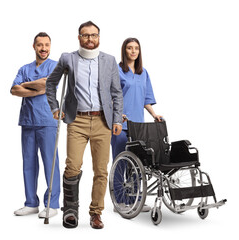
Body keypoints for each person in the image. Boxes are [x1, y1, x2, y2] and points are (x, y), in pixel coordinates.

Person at [46, 21, 123, 229]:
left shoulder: (109, 60)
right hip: (77, 120)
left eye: (94, 35)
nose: (90, 39)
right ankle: (70, 210)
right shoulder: (67, 58)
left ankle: (96, 213)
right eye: (86, 35)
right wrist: (55, 108)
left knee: (101, 170)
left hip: (102, 121)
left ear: (99, 37)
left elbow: (116, 92)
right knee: (72, 166)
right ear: (79, 37)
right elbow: (51, 83)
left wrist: (117, 119)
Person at [11, 32, 60, 218]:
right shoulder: (24, 68)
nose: (44, 48)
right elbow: (14, 89)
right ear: (34, 47)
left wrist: (27, 86)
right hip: (27, 121)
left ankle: (52, 204)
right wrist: (36, 88)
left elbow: (48, 84)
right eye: (40, 45)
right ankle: (31, 203)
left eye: (47, 45)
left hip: (47, 120)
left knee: (50, 162)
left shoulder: (54, 66)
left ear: (50, 46)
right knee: (29, 163)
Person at [111, 38, 163, 211]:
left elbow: (145, 99)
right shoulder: (116, 71)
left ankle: (136, 199)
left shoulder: (143, 73)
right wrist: (118, 114)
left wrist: (154, 114)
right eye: (129, 48)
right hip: (121, 125)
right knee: (121, 163)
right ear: (124, 50)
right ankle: (120, 200)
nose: (133, 51)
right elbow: (109, 98)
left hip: (139, 127)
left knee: (138, 166)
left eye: (136, 48)